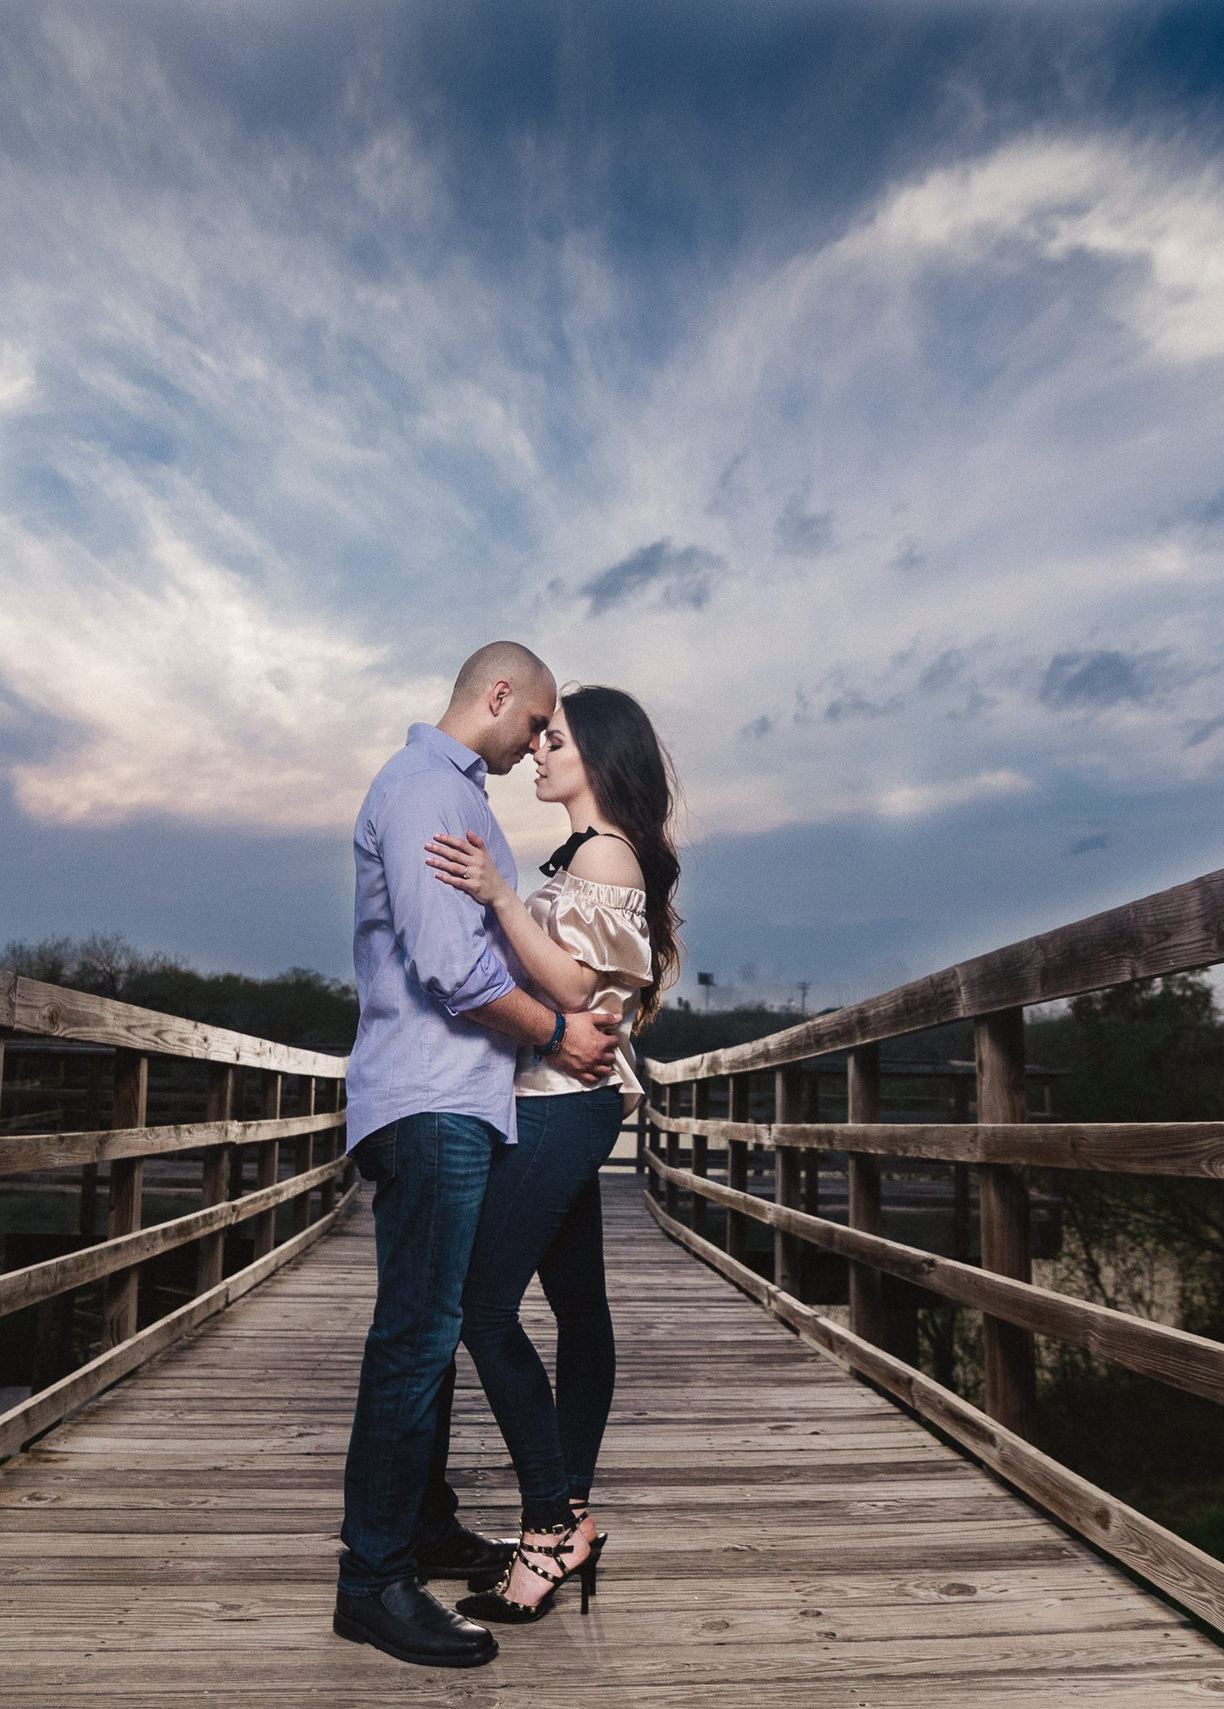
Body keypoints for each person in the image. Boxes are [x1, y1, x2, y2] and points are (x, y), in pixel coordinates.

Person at [332, 642, 624, 1670]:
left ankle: (423, 1527)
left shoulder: (460, 799)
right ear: (496, 696)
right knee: (415, 1337)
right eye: (534, 719)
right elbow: (453, 969)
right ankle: (371, 1580)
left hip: (460, 1099)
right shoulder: (422, 789)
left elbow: (505, 945)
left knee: (438, 1325)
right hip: (427, 1097)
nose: (536, 739)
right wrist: (555, 1034)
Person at [422, 684, 680, 1626]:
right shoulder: (587, 856)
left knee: (483, 1308)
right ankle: (569, 1511)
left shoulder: (606, 850)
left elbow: (574, 982)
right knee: (578, 1306)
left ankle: (548, 1523)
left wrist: (493, 891)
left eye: (554, 739)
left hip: (564, 1105)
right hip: (563, 1099)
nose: (537, 751)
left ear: (598, 760)